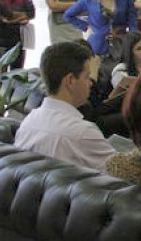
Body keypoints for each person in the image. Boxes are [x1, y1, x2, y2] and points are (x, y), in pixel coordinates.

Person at [14, 42, 116, 171]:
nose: (90, 83)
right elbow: (121, 174)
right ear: (71, 80)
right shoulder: (82, 133)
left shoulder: (28, 122)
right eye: (87, 77)